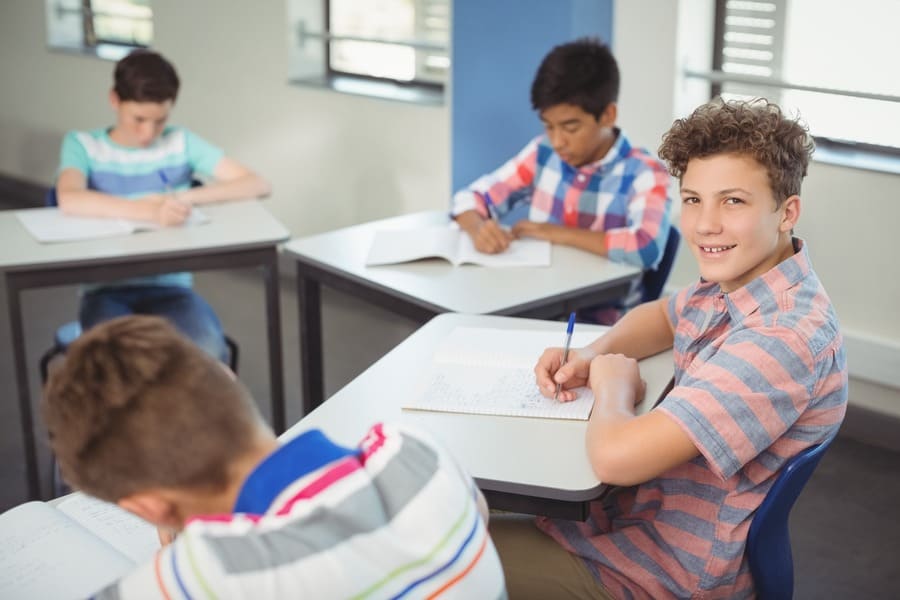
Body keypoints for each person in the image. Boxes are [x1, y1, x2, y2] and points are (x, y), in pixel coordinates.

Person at [489, 99, 849, 598]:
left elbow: (615, 460)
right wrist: (594, 353)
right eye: (693, 199)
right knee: (456, 514)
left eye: (733, 201)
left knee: (432, 557)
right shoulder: (743, 278)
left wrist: (613, 387)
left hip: (658, 570)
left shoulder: (780, 340)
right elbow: (661, 317)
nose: (704, 224)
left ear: (787, 212)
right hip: (630, 519)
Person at [41, 315, 507, 599]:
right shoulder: (418, 453)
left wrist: (179, 547)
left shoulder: (207, 574)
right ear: (227, 377)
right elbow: (475, 513)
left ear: (149, 507)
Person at [55, 49, 271, 361]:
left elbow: (257, 183)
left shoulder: (180, 142)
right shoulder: (83, 145)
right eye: (138, 119)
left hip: (171, 290)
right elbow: (70, 198)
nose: (148, 133)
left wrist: (181, 198)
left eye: (160, 121)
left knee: (208, 355)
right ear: (114, 100)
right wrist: (149, 211)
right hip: (105, 291)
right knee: (120, 367)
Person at [451, 37, 672, 324]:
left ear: (608, 115)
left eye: (570, 127)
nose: (557, 141)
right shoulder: (542, 153)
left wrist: (554, 232)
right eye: (549, 126)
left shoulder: (646, 173)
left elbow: (645, 247)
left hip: (604, 329)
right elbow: (469, 198)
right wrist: (478, 227)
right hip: (536, 309)